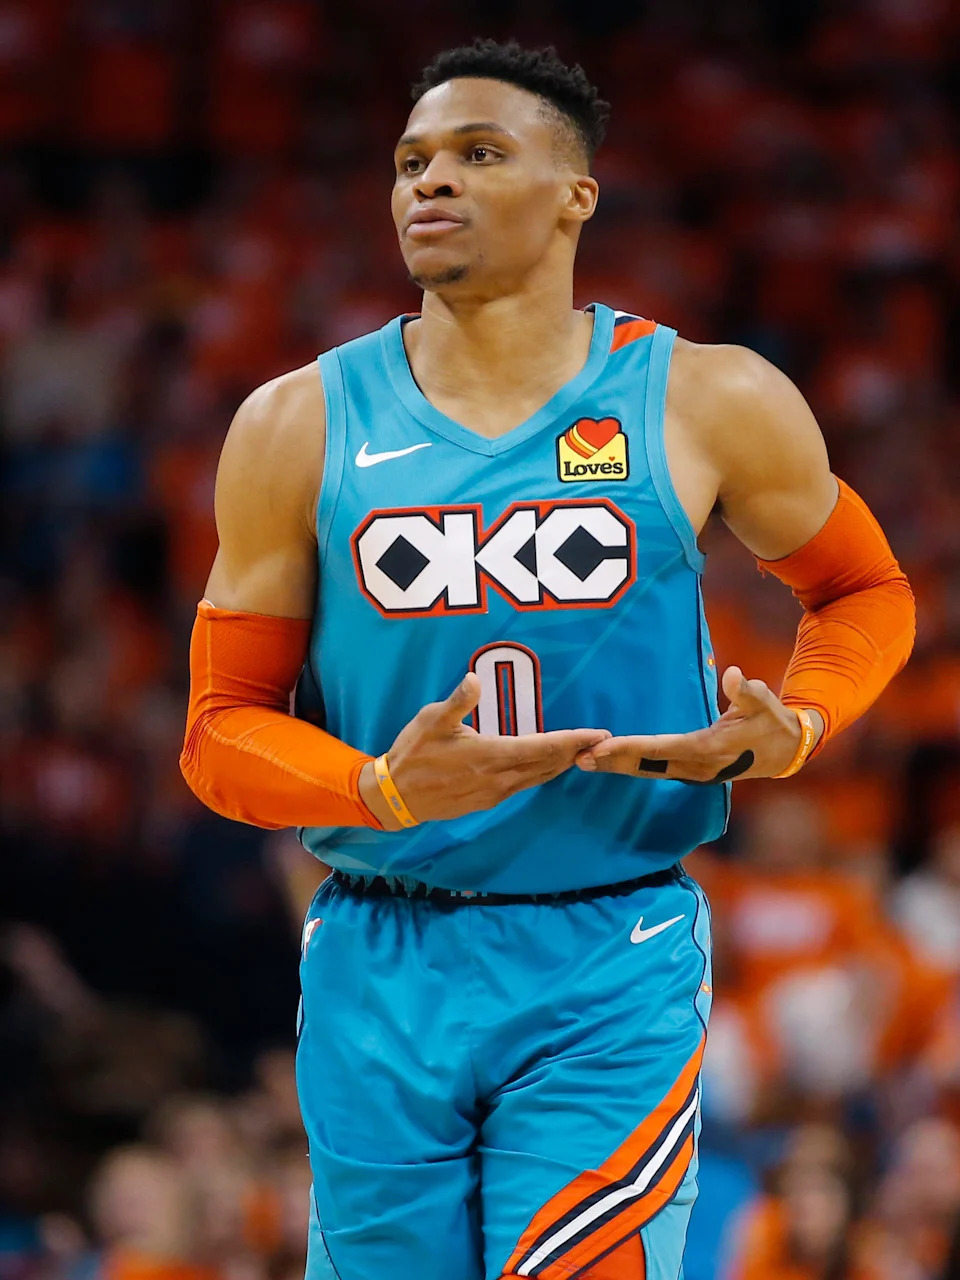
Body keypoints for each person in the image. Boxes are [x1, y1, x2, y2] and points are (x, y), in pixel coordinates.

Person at [179, 38, 916, 1280]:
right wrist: (380, 787)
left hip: (607, 954)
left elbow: (864, 589)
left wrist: (798, 720)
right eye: (412, 160)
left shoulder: (705, 396)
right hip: (379, 952)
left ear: (577, 192)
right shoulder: (295, 422)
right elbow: (215, 730)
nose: (431, 183)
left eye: (477, 154)